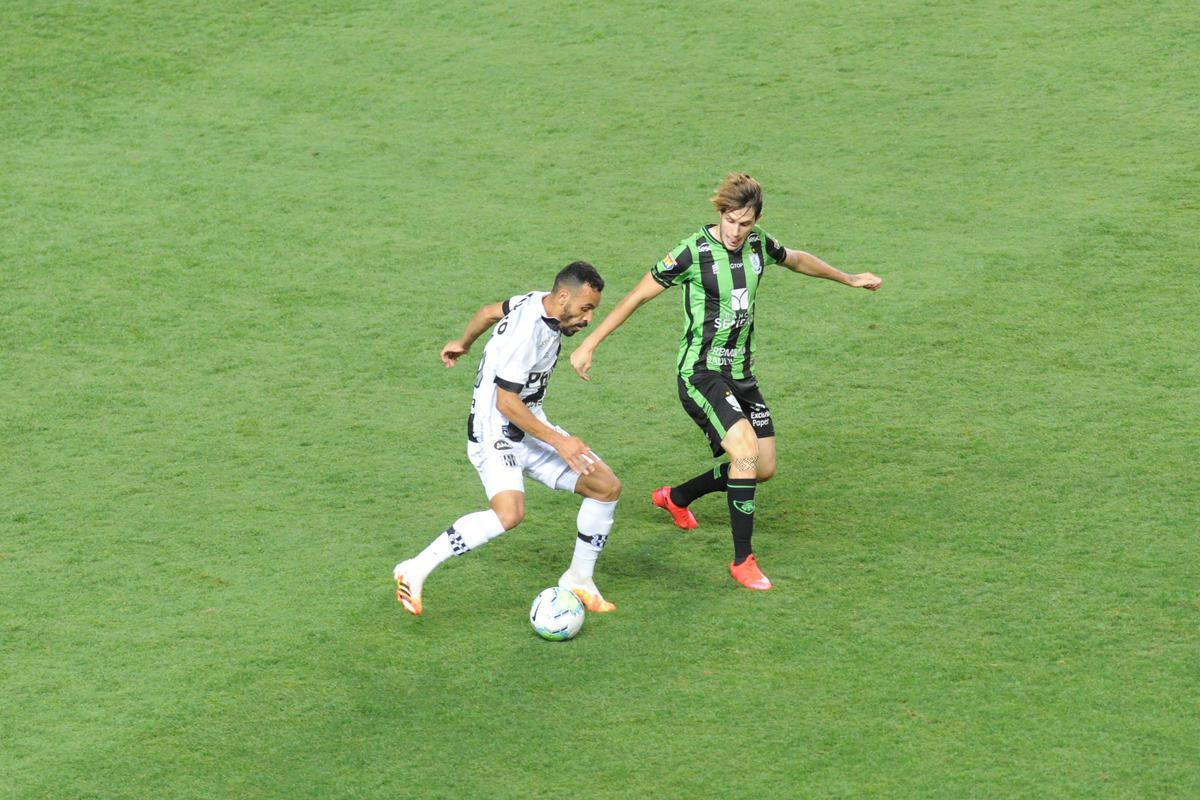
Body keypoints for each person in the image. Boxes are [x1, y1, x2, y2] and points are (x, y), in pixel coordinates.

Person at [570, 173, 881, 591]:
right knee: (746, 452)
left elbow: (796, 258)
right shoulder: (691, 253)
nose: (736, 231)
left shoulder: (758, 245)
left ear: (756, 220)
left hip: (741, 376)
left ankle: (676, 497)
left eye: (745, 223)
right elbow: (636, 297)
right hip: (701, 374)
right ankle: (743, 561)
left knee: (760, 467)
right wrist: (589, 343)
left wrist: (848, 277)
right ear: (720, 214)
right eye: (730, 221)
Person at [394, 261, 621, 615]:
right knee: (508, 513)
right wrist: (560, 442)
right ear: (563, 297)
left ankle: (579, 578)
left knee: (605, 486)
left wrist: (463, 342)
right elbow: (506, 401)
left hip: (529, 422)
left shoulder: (533, 300)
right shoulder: (527, 334)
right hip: (494, 427)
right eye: (585, 308)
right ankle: (416, 567)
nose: (588, 318)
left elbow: (487, 313)